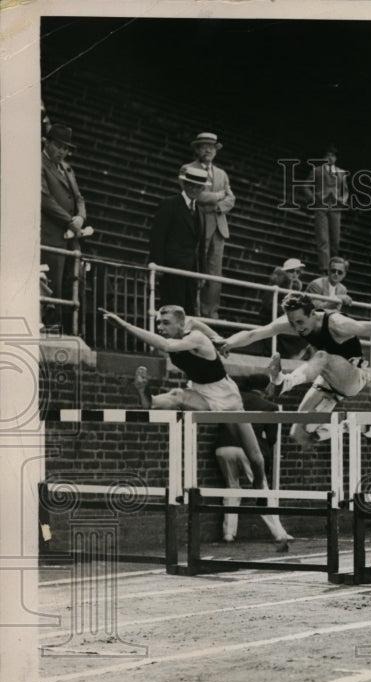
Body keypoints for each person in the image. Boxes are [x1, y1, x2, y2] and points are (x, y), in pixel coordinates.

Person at [222, 293, 371, 448]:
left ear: (313, 313)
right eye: (293, 323)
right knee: (299, 433)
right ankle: (353, 427)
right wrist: (227, 343)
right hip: (327, 379)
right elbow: (254, 334)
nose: (297, 328)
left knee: (322, 356)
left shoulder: (338, 325)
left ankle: (284, 382)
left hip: (353, 377)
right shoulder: (295, 321)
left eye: (301, 322)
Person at [102, 305, 268, 499]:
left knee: (256, 457)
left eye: (165, 323)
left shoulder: (195, 338)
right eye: (158, 323)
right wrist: (218, 341)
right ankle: (145, 391)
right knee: (175, 396)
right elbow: (196, 322)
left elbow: (167, 345)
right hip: (199, 392)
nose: (160, 327)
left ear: (181, 324)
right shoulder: (187, 325)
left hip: (226, 396)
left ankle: (259, 484)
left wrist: (124, 324)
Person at [216, 374, 292, 545]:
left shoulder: (233, 399)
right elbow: (272, 438)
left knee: (232, 487)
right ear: (265, 388)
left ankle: (228, 533)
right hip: (247, 449)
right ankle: (279, 533)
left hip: (223, 446)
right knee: (261, 488)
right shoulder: (269, 406)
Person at [41, 124, 89, 321]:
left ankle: (69, 329)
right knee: (53, 288)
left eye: (66, 148)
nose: (63, 152)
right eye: (59, 146)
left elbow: (79, 198)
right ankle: (52, 330)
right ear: (47, 143)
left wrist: (81, 217)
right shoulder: (38, 163)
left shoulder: (68, 168)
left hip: (71, 238)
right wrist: (70, 221)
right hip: (50, 236)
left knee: (72, 284)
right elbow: (44, 199)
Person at [150, 166, 209, 313]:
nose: (195, 190)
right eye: (192, 185)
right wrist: (158, 265)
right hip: (171, 268)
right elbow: (157, 237)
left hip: (191, 271)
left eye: (199, 187)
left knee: (188, 312)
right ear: (185, 184)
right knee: (172, 310)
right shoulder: (169, 204)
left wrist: (202, 273)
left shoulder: (201, 212)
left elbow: (201, 246)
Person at [189, 132, 236, 319]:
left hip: (218, 223)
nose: (208, 150)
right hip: (198, 221)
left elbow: (231, 197)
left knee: (215, 273)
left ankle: (211, 312)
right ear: (198, 149)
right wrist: (218, 196)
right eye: (204, 146)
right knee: (197, 267)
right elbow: (196, 195)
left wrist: (218, 207)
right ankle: (195, 308)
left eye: (212, 147)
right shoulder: (189, 168)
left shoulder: (222, 174)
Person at [314, 143, 349, 272]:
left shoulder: (341, 172)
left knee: (335, 240)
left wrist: (343, 201)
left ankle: (334, 266)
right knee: (323, 238)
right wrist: (314, 198)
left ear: (336, 158)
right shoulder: (317, 170)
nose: (330, 158)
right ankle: (324, 267)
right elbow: (306, 185)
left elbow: (345, 191)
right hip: (321, 206)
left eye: (333, 156)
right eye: (327, 155)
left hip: (335, 207)